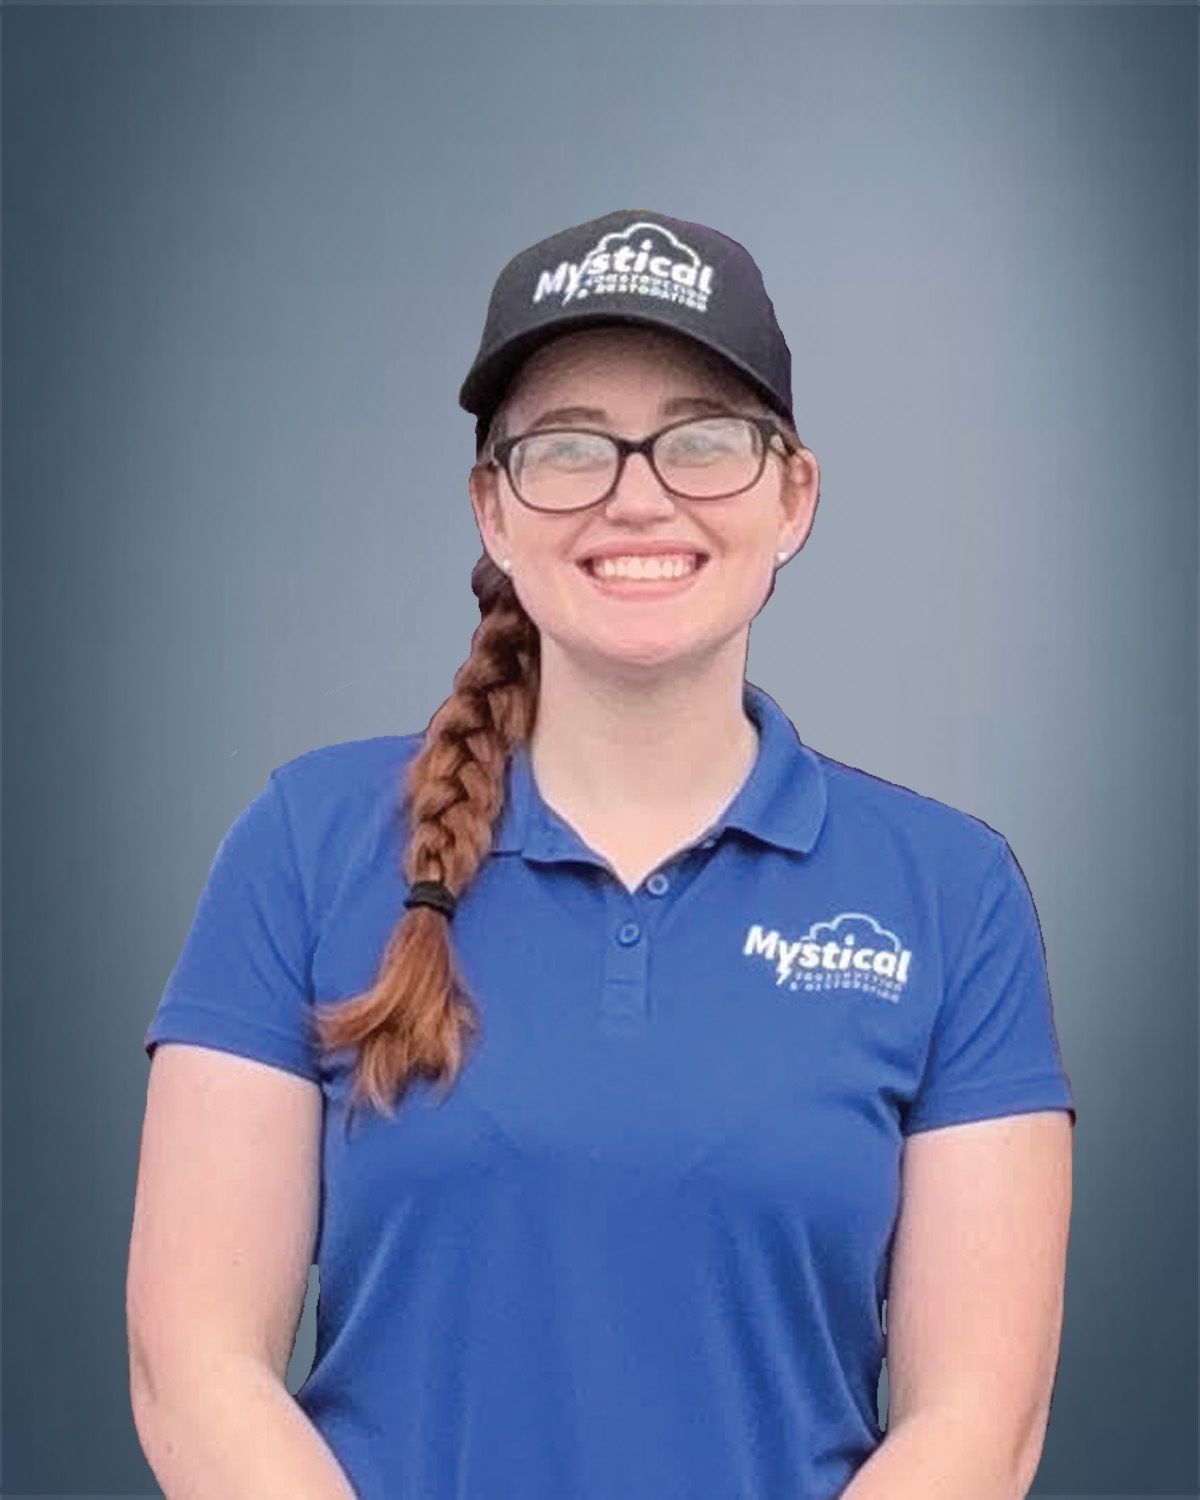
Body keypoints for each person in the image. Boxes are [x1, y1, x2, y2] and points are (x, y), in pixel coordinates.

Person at [129, 209, 1076, 1500]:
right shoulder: (302, 845)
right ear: (495, 510)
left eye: (700, 440)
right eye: (571, 447)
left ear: (792, 496)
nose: (639, 494)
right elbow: (191, 1362)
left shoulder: (952, 897)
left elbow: (979, 1423)